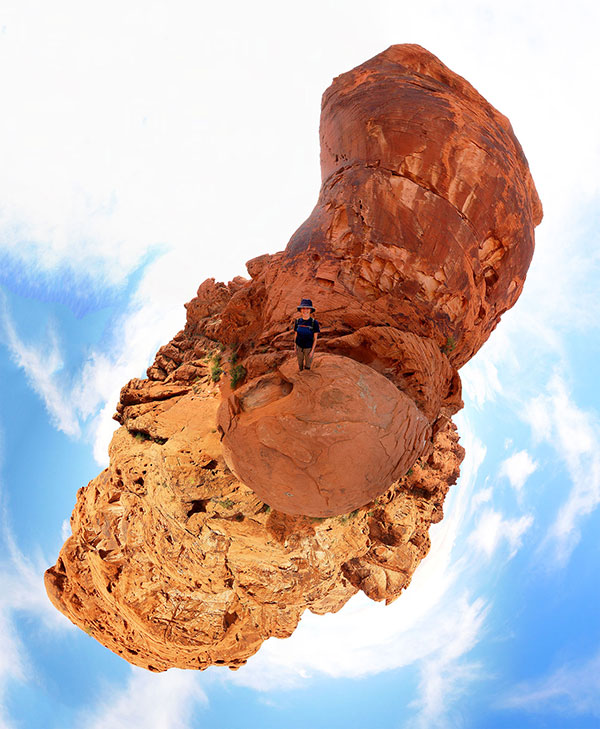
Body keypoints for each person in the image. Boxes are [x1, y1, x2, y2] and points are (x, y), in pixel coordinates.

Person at [293, 298, 320, 371]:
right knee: (300, 364)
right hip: (299, 347)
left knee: (307, 366)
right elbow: (296, 335)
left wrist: (312, 351)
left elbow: (315, 339)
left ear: (310, 310)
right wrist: (295, 347)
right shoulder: (298, 321)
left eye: (307, 308)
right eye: (303, 308)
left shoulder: (314, 323)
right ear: (301, 310)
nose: (305, 310)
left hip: (308, 348)